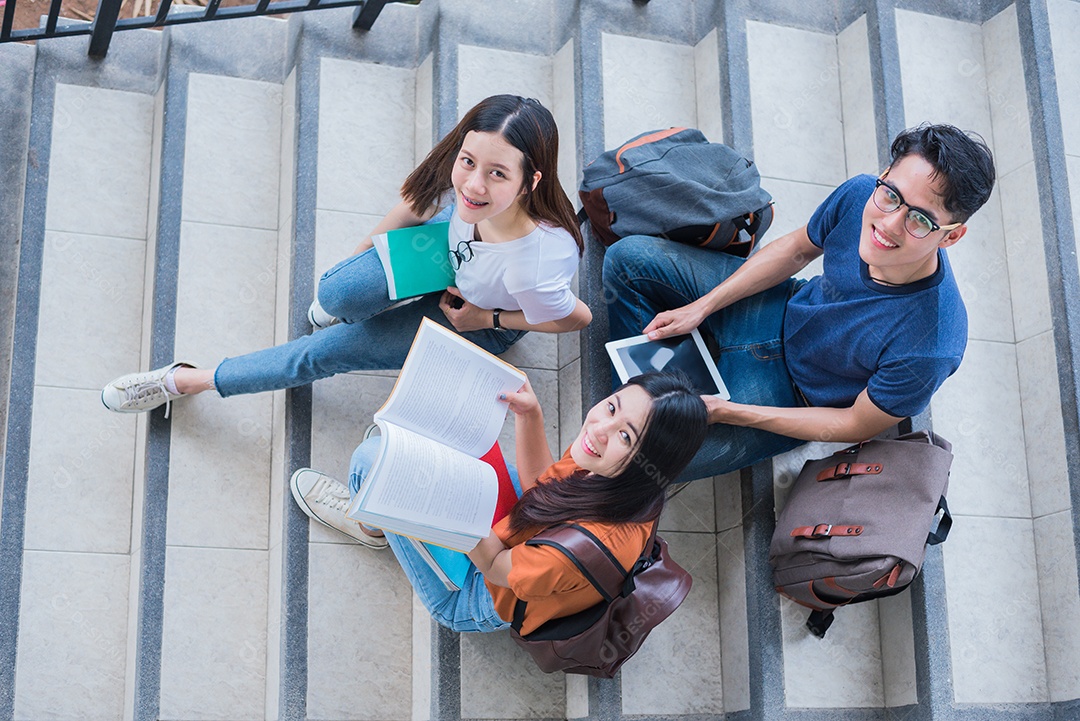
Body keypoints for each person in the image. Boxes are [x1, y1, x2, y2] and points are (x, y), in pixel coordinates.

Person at [100, 93, 591, 422]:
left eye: (498, 174)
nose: (472, 185)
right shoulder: (471, 175)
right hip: (446, 253)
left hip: (476, 314)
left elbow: (576, 318)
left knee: (328, 351)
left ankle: (188, 380)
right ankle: (349, 302)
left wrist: (489, 316)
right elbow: (421, 199)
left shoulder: (536, 261)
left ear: (531, 181)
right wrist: (365, 255)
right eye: (468, 162)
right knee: (337, 291)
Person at [603, 123, 996, 482]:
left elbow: (856, 423)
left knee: (646, 461)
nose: (889, 224)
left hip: (789, 395)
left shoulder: (933, 343)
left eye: (920, 220)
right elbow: (796, 249)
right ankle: (650, 389)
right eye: (891, 195)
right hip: (779, 307)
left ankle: (659, 401)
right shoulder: (862, 193)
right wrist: (702, 306)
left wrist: (727, 412)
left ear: (950, 236)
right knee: (628, 260)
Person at [288, 371, 707, 634]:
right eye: (612, 406)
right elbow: (543, 487)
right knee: (443, 443)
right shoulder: (615, 475)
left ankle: (370, 523)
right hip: (520, 535)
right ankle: (388, 495)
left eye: (626, 436)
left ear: (647, 461)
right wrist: (531, 415)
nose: (600, 428)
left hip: (478, 596)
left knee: (372, 464)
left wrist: (443, 501)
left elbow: (493, 567)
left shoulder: (588, 543)